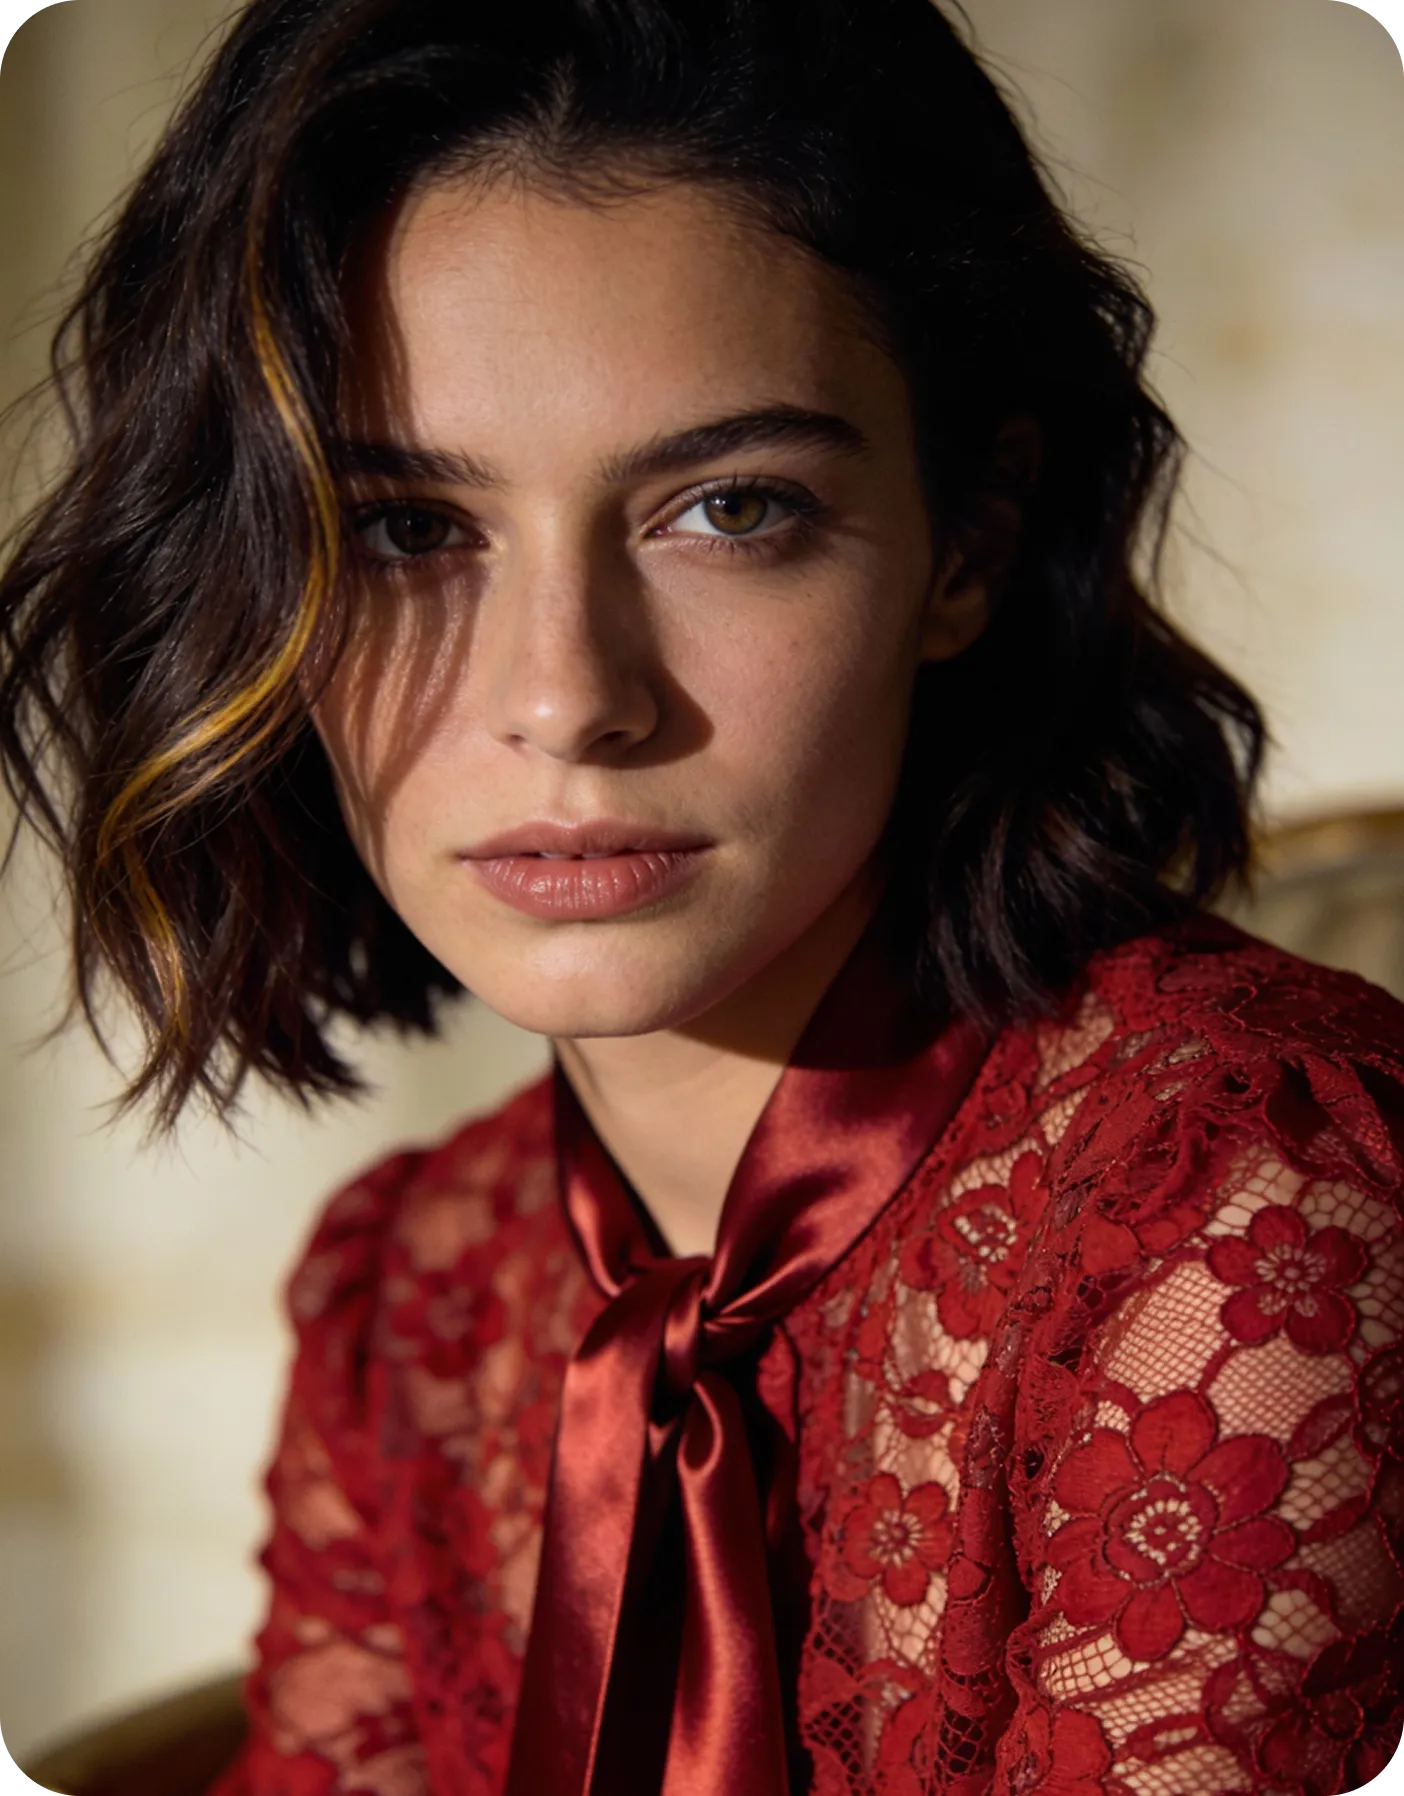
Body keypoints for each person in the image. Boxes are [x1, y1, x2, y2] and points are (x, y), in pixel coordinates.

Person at [1, 0, 1401, 1789]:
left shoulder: (1260, 1208)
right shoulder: (409, 1299)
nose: (570, 692)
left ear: (966, 542)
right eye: (410, 531)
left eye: (729, 508)